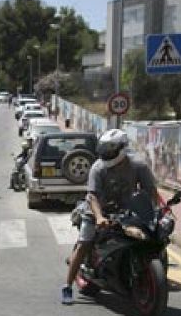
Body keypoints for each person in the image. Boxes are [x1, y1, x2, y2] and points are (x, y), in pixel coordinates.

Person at [62, 129, 158, 304]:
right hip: (96, 211)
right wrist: (99, 217)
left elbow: (150, 191)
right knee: (85, 242)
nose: (106, 153)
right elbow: (92, 196)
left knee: (151, 235)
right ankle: (67, 286)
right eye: (104, 149)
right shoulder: (97, 168)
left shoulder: (138, 165)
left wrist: (156, 211)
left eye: (110, 149)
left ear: (122, 148)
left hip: (126, 212)